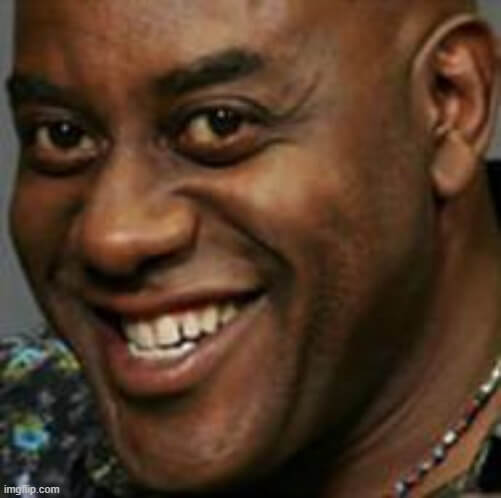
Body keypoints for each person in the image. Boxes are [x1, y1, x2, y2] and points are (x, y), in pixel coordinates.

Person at [1, 0, 500, 496]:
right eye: (61, 136)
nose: (111, 237)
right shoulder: (25, 424)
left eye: (220, 124)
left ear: (449, 102)